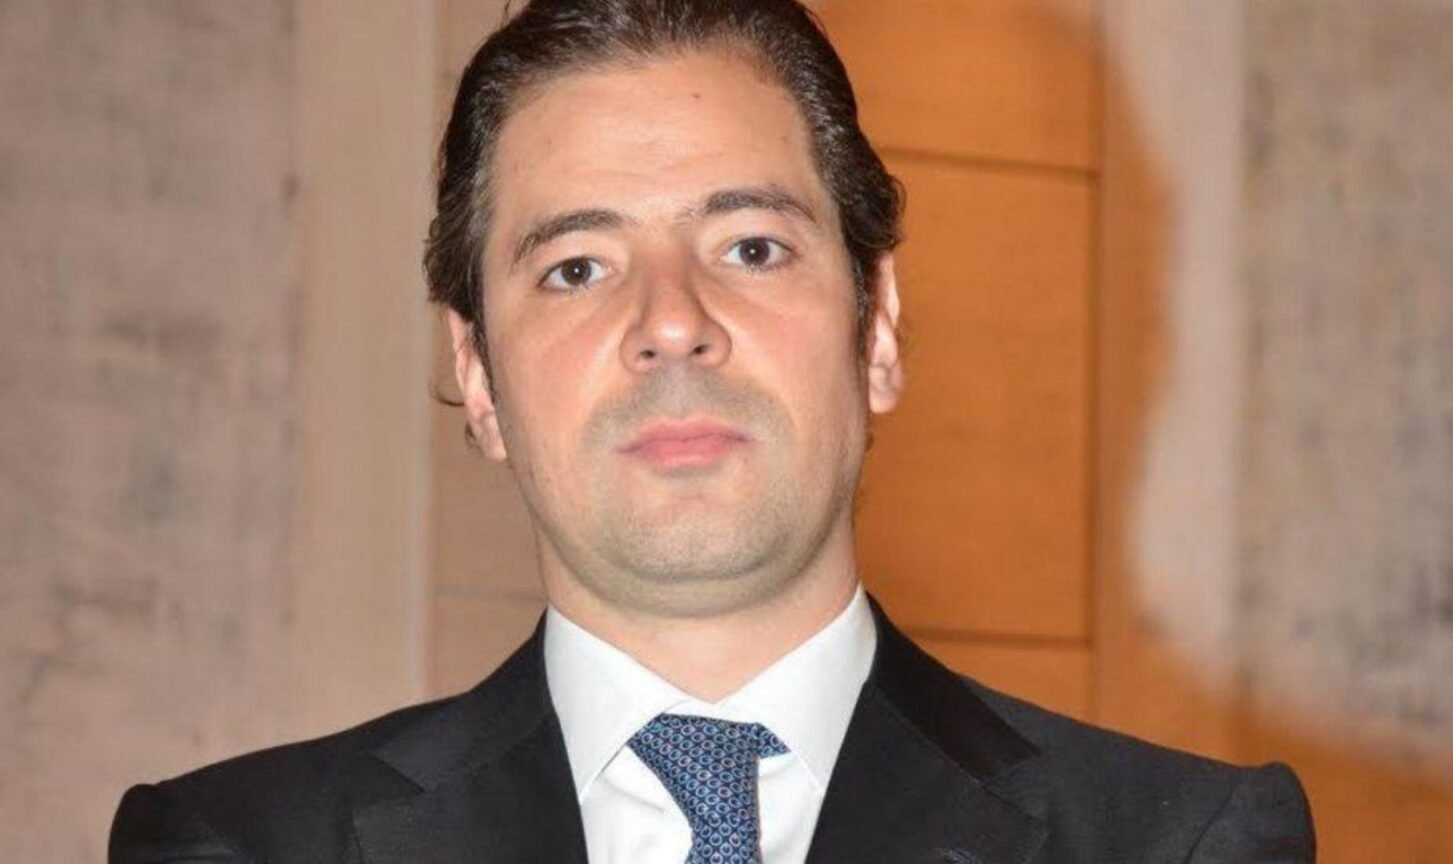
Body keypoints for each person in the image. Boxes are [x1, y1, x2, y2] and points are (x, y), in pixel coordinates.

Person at [109, 1, 1316, 861]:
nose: (672, 324)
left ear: (877, 328)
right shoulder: (238, 844)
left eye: (750, 246)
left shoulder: (1179, 843)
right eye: (578, 267)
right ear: (477, 376)